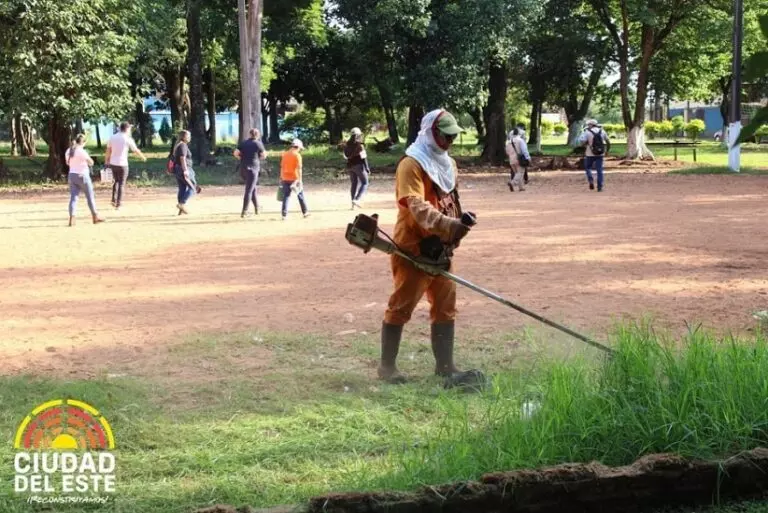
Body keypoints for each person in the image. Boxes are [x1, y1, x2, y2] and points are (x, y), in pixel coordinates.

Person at [378, 109, 477, 385]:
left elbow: (452, 201)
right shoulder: (411, 164)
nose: (449, 141)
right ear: (431, 133)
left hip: (441, 250)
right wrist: (449, 225)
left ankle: (446, 367)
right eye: (445, 136)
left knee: (446, 306)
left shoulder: (448, 164)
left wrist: (457, 228)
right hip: (413, 249)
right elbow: (417, 207)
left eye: (453, 136)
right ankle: (387, 367)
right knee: (401, 306)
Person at [104, 122, 147, 209]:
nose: (130, 130)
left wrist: (106, 161)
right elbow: (135, 150)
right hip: (123, 164)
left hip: (113, 163)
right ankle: (119, 204)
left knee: (116, 181)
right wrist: (142, 156)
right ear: (126, 129)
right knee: (121, 183)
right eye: (129, 128)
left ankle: (113, 200)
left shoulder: (112, 137)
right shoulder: (127, 139)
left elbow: (108, 151)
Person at [65, 134, 105, 226]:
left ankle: (72, 218)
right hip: (82, 175)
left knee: (73, 197)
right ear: (83, 142)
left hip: (72, 175)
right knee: (90, 196)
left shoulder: (68, 151)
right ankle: (95, 216)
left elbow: (67, 163)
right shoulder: (81, 151)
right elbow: (91, 162)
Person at [234, 128, 267, 217]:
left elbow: (236, 153)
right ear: (258, 135)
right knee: (249, 190)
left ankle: (257, 208)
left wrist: (241, 158)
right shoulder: (258, 143)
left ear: (249, 134)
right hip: (253, 169)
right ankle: (244, 211)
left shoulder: (243, 143)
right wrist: (258, 158)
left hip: (243, 168)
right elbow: (264, 155)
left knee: (252, 188)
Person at [279, 138, 310, 220]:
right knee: (300, 195)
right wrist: (300, 180)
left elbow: (282, 167)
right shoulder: (297, 155)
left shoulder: (284, 154)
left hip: (285, 178)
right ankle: (305, 212)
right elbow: (299, 168)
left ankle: (284, 215)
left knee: (286, 196)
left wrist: (281, 177)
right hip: (295, 178)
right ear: (298, 147)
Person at [172, 130, 200, 214]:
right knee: (193, 187)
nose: (190, 137)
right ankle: (182, 204)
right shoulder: (183, 145)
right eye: (188, 136)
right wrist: (185, 170)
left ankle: (181, 210)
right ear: (184, 137)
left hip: (177, 169)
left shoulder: (178, 145)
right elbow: (182, 158)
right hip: (184, 168)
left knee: (182, 188)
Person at [579, 119, 610, 192]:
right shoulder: (602, 131)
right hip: (600, 153)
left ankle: (590, 180)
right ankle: (600, 187)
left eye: (588, 124)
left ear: (591, 125)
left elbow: (582, 142)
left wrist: (586, 144)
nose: (588, 126)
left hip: (589, 154)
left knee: (588, 167)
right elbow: (608, 142)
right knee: (599, 170)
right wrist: (607, 151)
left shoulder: (587, 132)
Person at [344, 127, 370, 209]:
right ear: (359, 135)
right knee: (365, 183)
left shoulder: (346, 145)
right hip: (359, 166)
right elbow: (364, 157)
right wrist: (367, 168)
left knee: (354, 184)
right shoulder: (360, 145)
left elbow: (345, 156)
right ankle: (357, 199)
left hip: (350, 166)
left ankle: (353, 204)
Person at [505, 128, 531, 192]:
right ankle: (512, 183)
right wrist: (528, 157)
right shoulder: (520, 141)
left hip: (511, 159)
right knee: (521, 172)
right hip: (519, 159)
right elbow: (524, 150)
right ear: (519, 133)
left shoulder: (508, 142)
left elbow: (507, 152)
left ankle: (521, 187)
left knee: (517, 173)